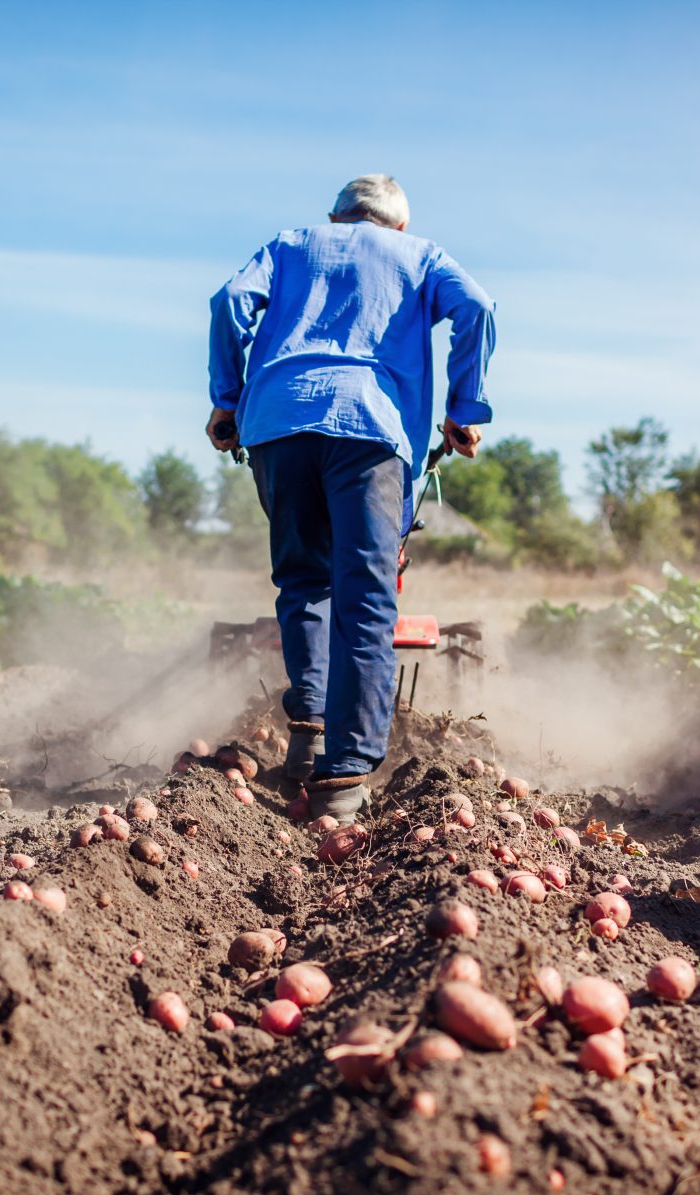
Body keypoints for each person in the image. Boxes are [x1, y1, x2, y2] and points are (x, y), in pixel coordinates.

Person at [207, 174, 497, 824]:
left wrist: (227, 399)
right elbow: (477, 309)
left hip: (278, 421)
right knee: (366, 597)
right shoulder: (420, 254)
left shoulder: (290, 244)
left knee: (305, 581)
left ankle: (308, 733)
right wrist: (464, 408)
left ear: (337, 218)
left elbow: (230, 302)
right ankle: (343, 780)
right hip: (371, 426)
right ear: (396, 225)